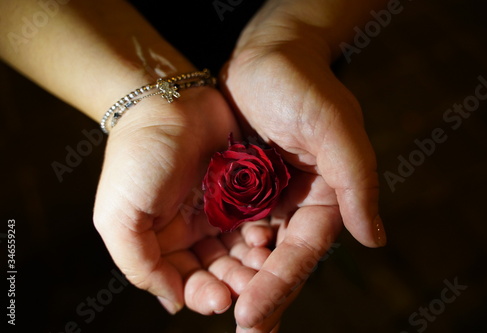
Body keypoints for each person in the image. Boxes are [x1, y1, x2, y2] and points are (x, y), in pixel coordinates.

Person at [0, 0, 387, 331]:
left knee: (293, 236)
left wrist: (293, 36)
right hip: (106, 38)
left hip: (291, 68)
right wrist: (148, 109)